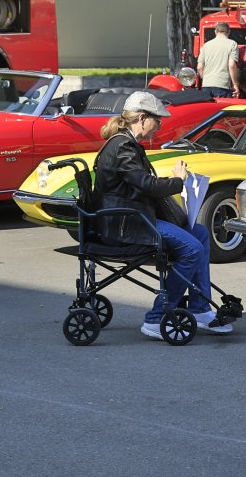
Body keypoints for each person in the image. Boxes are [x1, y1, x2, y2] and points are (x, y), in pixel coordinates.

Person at [94, 92, 232, 338]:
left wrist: (173, 183)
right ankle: (156, 317)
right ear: (142, 118)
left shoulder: (125, 144)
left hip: (134, 218)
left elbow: (141, 184)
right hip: (128, 225)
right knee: (192, 249)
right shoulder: (123, 146)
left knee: (200, 233)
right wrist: (178, 181)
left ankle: (200, 308)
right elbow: (146, 185)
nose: (159, 127)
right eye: (157, 121)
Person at [196, 21, 238, 97]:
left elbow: (199, 67)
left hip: (206, 85)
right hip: (223, 85)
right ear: (229, 32)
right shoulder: (232, 44)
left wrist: (205, 79)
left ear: (215, 32)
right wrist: (235, 84)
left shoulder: (206, 45)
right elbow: (231, 65)